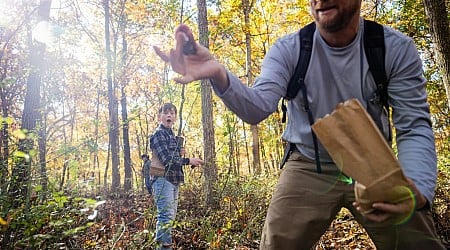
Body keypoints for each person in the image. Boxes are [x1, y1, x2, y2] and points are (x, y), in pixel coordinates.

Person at [153, 1, 447, 249]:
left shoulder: (393, 49)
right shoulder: (290, 49)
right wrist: (218, 73)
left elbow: (413, 126)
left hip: (374, 165)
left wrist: (418, 188)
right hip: (308, 162)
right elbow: (257, 107)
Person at [149, 102, 204, 249]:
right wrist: (187, 160)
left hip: (173, 180)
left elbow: (174, 159)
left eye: (172, 113)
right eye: (166, 113)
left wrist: (182, 156)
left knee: (171, 216)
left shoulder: (172, 135)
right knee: (165, 216)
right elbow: (167, 160)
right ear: (159, 117)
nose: (169, 115)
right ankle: (164, 247)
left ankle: (163, 245)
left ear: (175, 118)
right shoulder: (158, 134)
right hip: (162, 179)